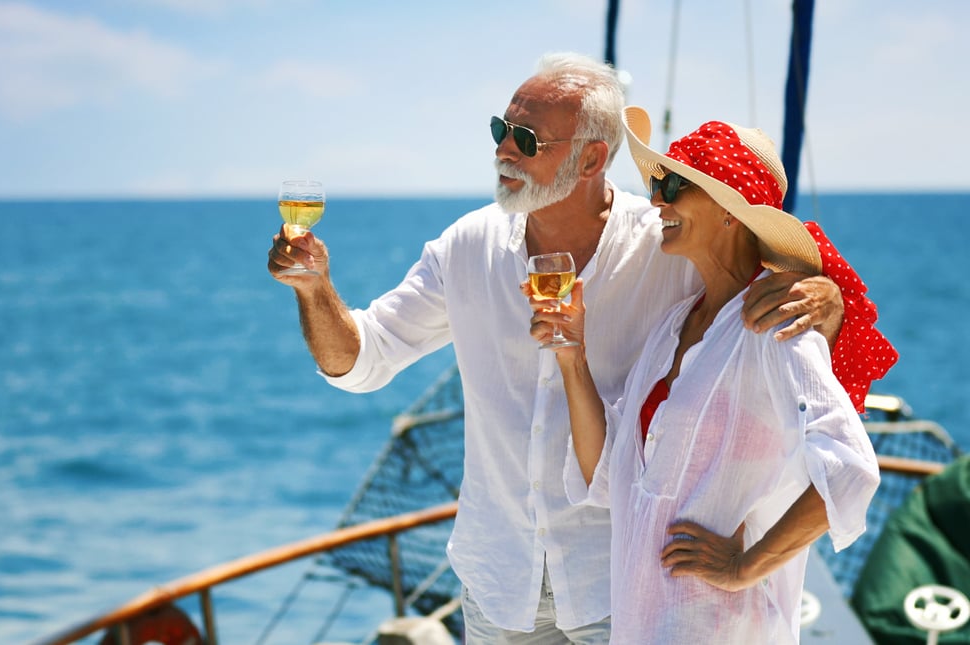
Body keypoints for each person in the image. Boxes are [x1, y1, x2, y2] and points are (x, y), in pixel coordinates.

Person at [267, 52, 895, 643]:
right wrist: (315, 289)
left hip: (624, 580)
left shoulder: (668, 244)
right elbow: (361, 361)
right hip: (497, 581)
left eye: (528, 139)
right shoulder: (467, 247)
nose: (504, 150)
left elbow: (760, 276)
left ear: (594, 159)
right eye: (500, 129)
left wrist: (827, 300)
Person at [533, 106, 881, 643]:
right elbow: (606, 472)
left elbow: (852, 468)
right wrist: (571, 357)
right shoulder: (674, 326)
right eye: (656, 183)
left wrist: (745, 567)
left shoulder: (775, 328)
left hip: (726, 627)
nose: (656, 200)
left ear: (729, 209)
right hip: (645, 623)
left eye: (673, 184)